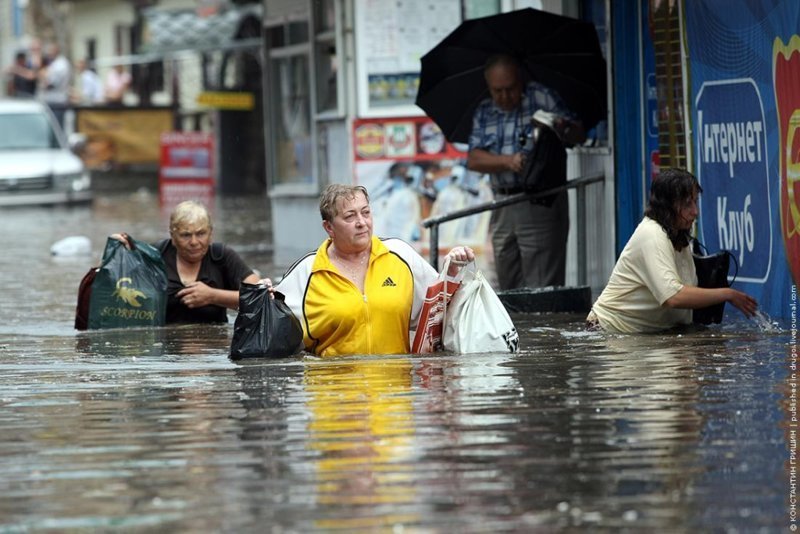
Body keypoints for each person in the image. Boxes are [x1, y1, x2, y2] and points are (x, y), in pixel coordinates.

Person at [264, 184, 475, 357]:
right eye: (350, 217)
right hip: (332, 397)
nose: (362, 223)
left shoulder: (400, 255)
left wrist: (453, 270)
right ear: (329, 228)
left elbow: (440, 313)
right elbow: (272, 336)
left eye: (365, 213)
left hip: (394, 397)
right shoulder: (307, 272)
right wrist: (261, 297)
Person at [586, 168, 758, 334]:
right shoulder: (651, 234)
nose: (695, 212)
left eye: (695, 202)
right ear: (667, 206)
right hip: (609, 332)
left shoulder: (678, 237)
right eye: (687, 204)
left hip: (649, 333)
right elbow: (674, 297)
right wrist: (727, 294)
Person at [466, 54, 585, 290]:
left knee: (542, 283)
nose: (504, 96)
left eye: (509, 89)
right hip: (502, 201)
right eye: (496, 90)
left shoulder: (540, 97)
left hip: (539, 202)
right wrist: (507, 161)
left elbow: (578, 135)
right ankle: (518, 326)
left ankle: (542, 327)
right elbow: (473, 159)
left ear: (520, 80)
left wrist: (558, 126)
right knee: (508, 279)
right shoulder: (485, 110)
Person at [112, 200, 261, 324]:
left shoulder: (221, 256)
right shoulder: (156, 256)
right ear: (173, 236)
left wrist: (213, 296)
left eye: (201, 234)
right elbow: (117, 290)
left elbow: (260, 296)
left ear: (211, 234)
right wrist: (120, 254)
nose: (194, 242)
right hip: (166, 351)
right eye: (185, 235)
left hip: (213, 349)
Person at [38, 42, 71, 128]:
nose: (48, 53)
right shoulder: (53, 63)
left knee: (57, 128)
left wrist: (43, 78)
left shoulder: (61, 64)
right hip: (50, 102)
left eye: (50, 51)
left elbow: (51, 84)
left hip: (57, 102)